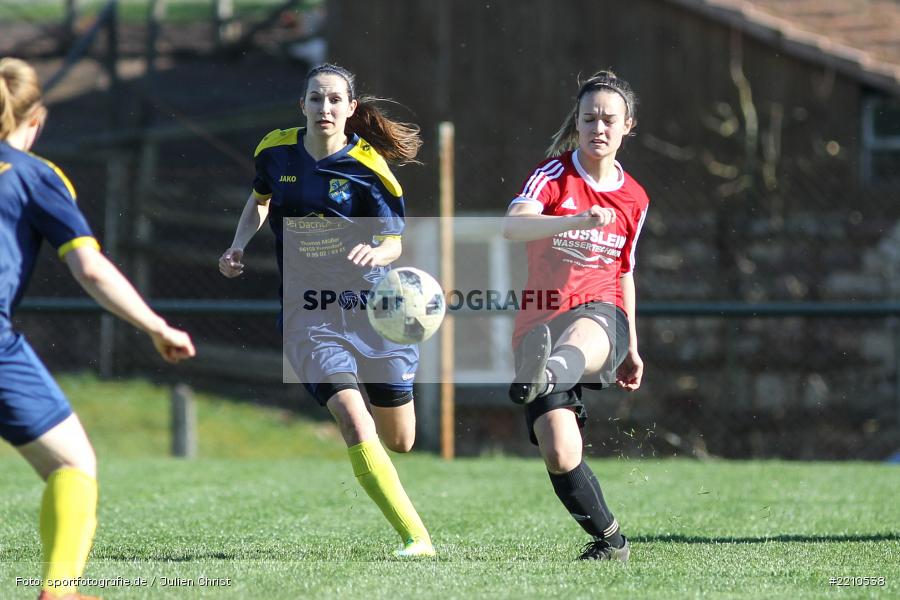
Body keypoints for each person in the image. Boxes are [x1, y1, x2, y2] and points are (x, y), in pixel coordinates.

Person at [218, 63, 434, 558]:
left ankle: (393, 479)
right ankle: (416, 538)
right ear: (303, 106)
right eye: (316, 99)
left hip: (374, 312)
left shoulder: (369, 168)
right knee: (354, 421)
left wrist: (375, 253)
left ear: (351, 108)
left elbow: (394, 243)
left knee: (400, 440)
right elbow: (259, 200)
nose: (325, 108)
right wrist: (237, 245)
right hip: (310, 313)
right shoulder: (274, 150)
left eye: (335, 100)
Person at [0, 57, 196, 600]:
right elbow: (89, 267)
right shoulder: (36, 175)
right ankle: (60, 591)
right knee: (74, 463)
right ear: (35, 119)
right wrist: (155, 325)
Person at [502, 70, 648, 561]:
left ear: (628, 125)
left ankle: (543, 372)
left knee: (581, 334)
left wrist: (633, 347)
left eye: (609, 119)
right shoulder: (553, 176)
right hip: (541, 318)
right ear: (577, 124)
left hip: (601, 312)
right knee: (561, 453)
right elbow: (514, 227)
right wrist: (576, 220)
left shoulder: (635, 198)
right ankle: (611, 541)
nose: (598, 128)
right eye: (589, 119)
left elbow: (625, 271)